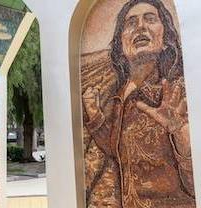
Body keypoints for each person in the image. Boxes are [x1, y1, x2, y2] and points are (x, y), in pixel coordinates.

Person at [82, 0, 195, 207]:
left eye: (150, 19)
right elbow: (119, 150)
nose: (141, 27)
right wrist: (96, 116)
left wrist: (180, 132)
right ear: (121, 43)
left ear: (166, 37)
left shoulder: (180, 93)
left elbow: (194, 185)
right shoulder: (123, 94)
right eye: (131, 23)